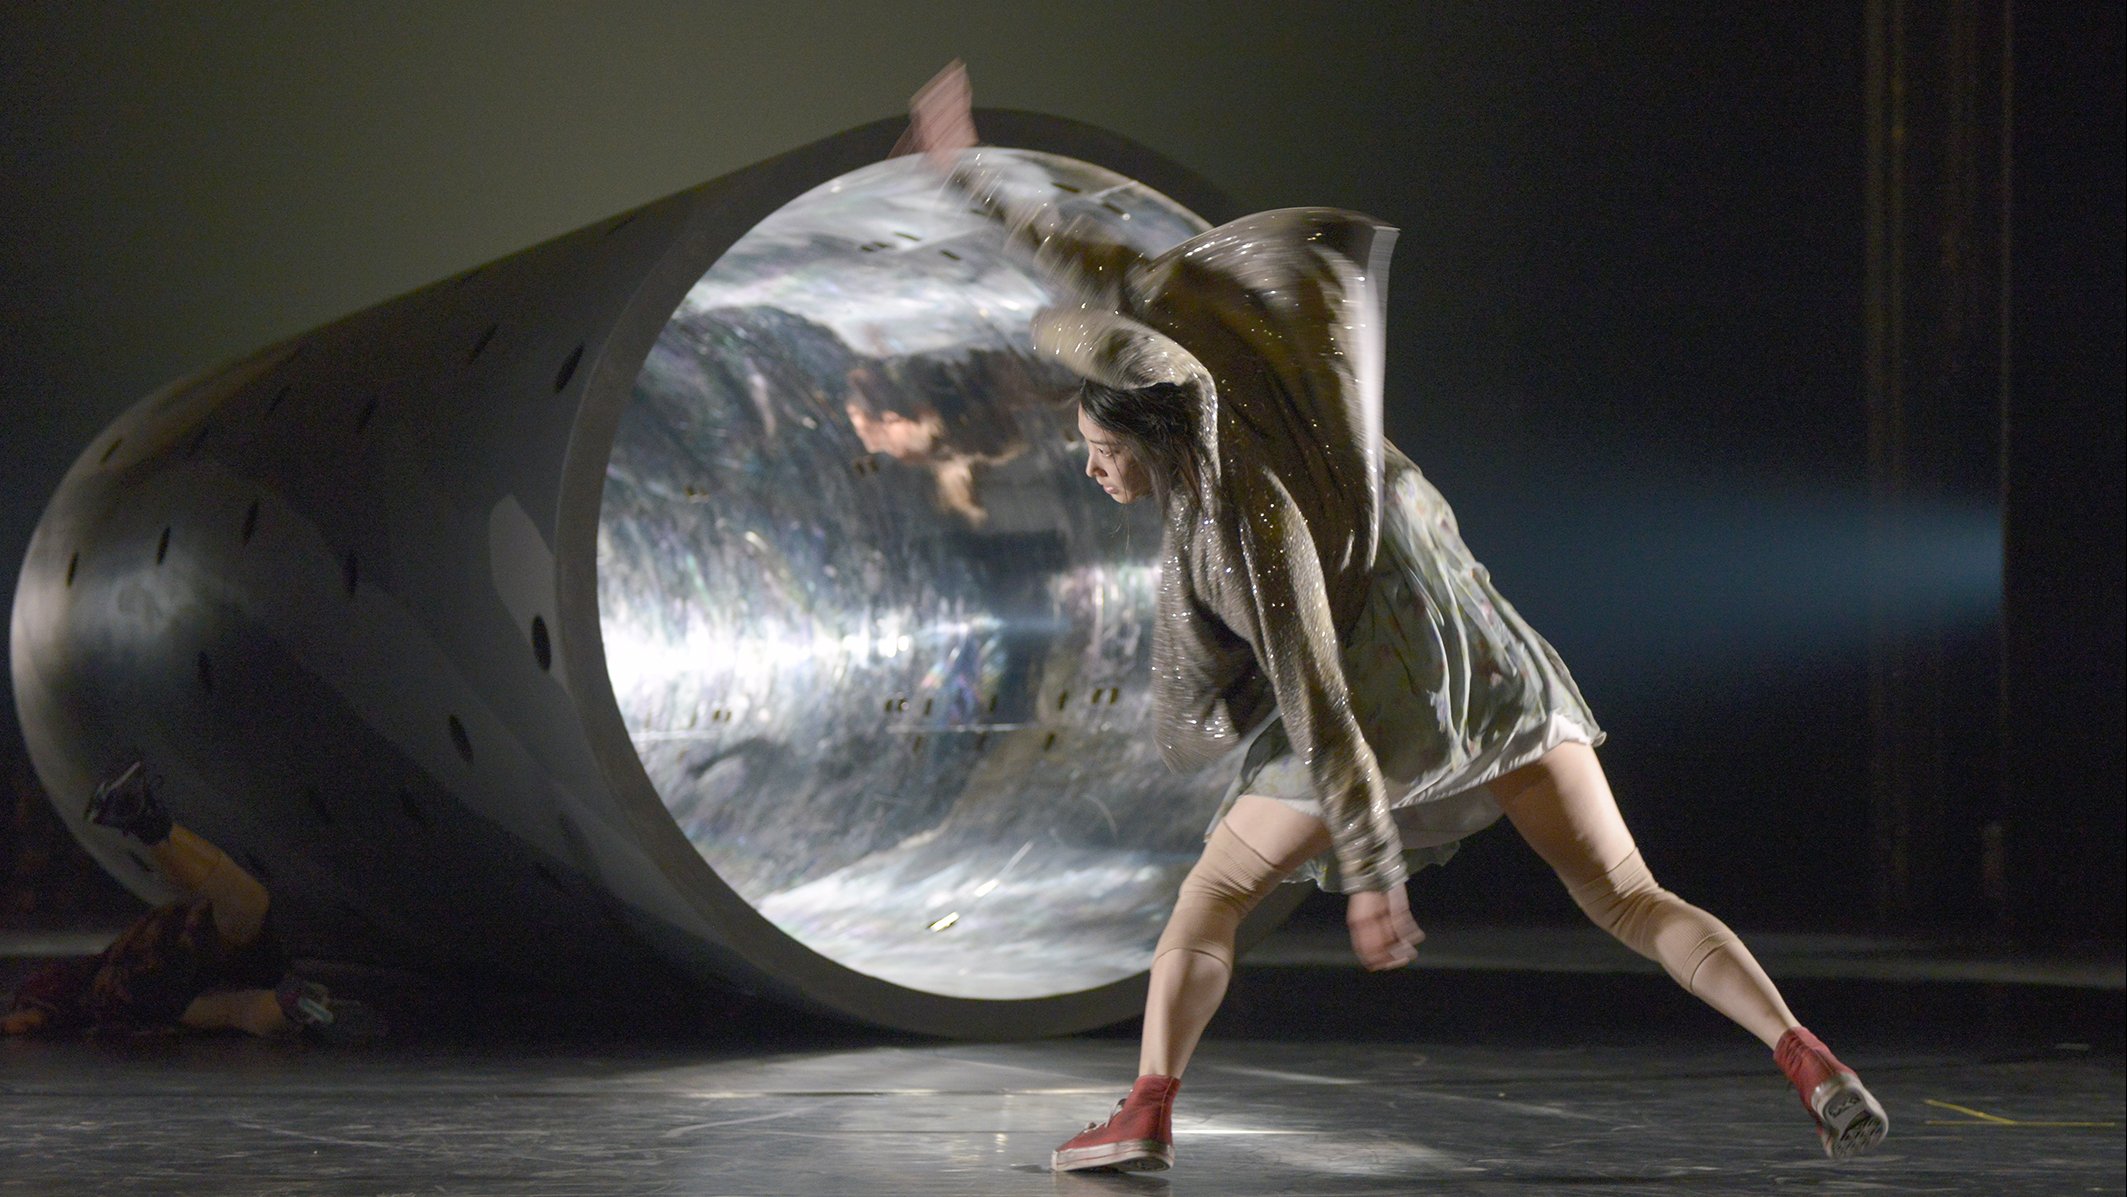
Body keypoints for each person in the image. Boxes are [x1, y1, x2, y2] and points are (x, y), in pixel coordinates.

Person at [895, 62, 1889, 1172]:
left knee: (1213, 895)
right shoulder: (1296, 403)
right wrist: (973, 181)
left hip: (1386, 715)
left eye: (1102, 452)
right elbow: (1112, 268)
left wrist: (1373, 874)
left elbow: (1320, 702)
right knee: (1626, 894)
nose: (1090, 471)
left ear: (1163, 443)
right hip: (1505, 682)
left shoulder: (1239, 524)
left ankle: (1147, 1108)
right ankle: (1806, 1055)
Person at [3, 762, 375, 1044]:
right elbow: (29, 1019)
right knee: (246, 914)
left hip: (166, 974)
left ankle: (301, 1011)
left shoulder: (78, 985)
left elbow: (28, 1019)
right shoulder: (78, 988)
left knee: (238, 999)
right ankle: (146, 821)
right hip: (159, 982)